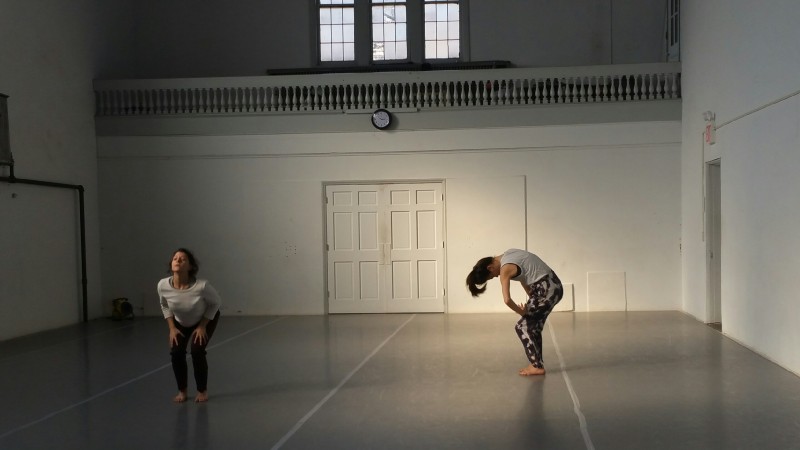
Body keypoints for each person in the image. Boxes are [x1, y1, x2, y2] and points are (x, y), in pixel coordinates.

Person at [466, 249, 563, 376]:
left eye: (491, 276)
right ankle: (536, 363)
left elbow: (507, 300)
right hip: (551, 285)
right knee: (533, 326)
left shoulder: (505, 269)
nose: (496, 276)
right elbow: (525, 277)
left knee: (522, 327)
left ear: (490, 267)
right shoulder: (509, 254)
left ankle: (537, 366)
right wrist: (531, 301)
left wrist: (522, 312)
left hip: (547, 289)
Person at [158, 248, 222, 402]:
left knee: (197, 351)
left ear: (191, 266)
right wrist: (172, 328)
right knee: (176, 353)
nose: (178, 261)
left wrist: (202, 326)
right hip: (180, 322)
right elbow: (165, 305)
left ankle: (202, 391)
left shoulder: (202, 286)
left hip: (204, 319)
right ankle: (182, 391)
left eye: (183, 259)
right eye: (175, 258)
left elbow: (216, 303)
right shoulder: (162, 285)